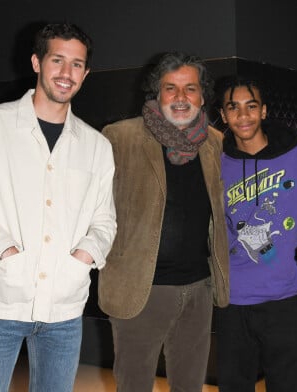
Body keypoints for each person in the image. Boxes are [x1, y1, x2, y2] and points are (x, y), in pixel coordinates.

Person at [0, 23, 116, 392]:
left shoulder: (96, 145)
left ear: (86, 72)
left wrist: (83, 257)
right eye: (57, 60)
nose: (66, 73)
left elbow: (105, 221)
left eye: (77, 64)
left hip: (65, 311)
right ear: (36, 62)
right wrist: (2, 248)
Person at [97, 51, 229, 391]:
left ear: (202, 96)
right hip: (142, 288)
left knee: (190, 384)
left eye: (190, 89)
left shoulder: (215, 143)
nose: (181, 98)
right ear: (157, 93)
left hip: (199, 288)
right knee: (134, 383)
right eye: (171, 88)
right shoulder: (119, 137)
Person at [215, 77, 297, 391]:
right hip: (231, 297)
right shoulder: (214, 159)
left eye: (251, 106)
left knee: (286, 385)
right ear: (223, 116)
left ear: (263, 111)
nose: (243, 116)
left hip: (284, 294)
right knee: (233, 385)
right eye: (233, 108)